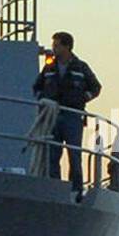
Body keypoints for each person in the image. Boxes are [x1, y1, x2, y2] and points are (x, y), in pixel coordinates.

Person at [33, 32, 102, 198]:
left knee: (74, 155)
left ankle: (76, 190)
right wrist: (43, 100)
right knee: (52, 155)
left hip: (73, 117)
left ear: (66, 47)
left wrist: (83, 97)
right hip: (53, 116)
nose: (53, 48)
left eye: (56, 45)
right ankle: (55, 189)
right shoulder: (49, 68)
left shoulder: (81, 67)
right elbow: (37, 87)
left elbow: (96, 87)